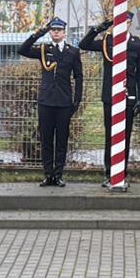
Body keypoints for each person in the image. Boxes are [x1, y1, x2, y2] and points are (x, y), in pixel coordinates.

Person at [77, 19, 140, 187]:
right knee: (111, 136)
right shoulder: (107, 41)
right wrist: (97, 29)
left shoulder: (136, 44)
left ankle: (122, 173)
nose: (123, 24)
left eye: (127, 21)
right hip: (110, 96)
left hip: (128, 95)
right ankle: (109, 173)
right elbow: (84, 44)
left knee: (125, 136)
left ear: (130, 23)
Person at [17, 18, 85, 187]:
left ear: (64, 32)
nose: (55, 32)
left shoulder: (73, 52)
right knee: (46, 139)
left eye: (58, 30)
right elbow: (22, 50)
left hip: (63, 103)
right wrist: (38, 34)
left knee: (61, 140)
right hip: (46, 102)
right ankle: (48, 175)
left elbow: (79, 76)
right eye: (52, 29)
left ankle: (58, 174)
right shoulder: (43, 49)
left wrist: (76, 100)